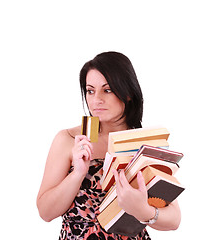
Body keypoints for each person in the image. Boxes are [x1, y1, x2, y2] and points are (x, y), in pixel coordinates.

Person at [36, 51, 181, 239]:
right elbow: (45, 212)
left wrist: (143, 210)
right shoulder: (69, 139)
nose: (96, 99)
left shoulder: (145, 144)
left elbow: (174, 219)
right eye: (90, 90)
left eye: (107, 90)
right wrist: (77, 174)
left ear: (128, 93)